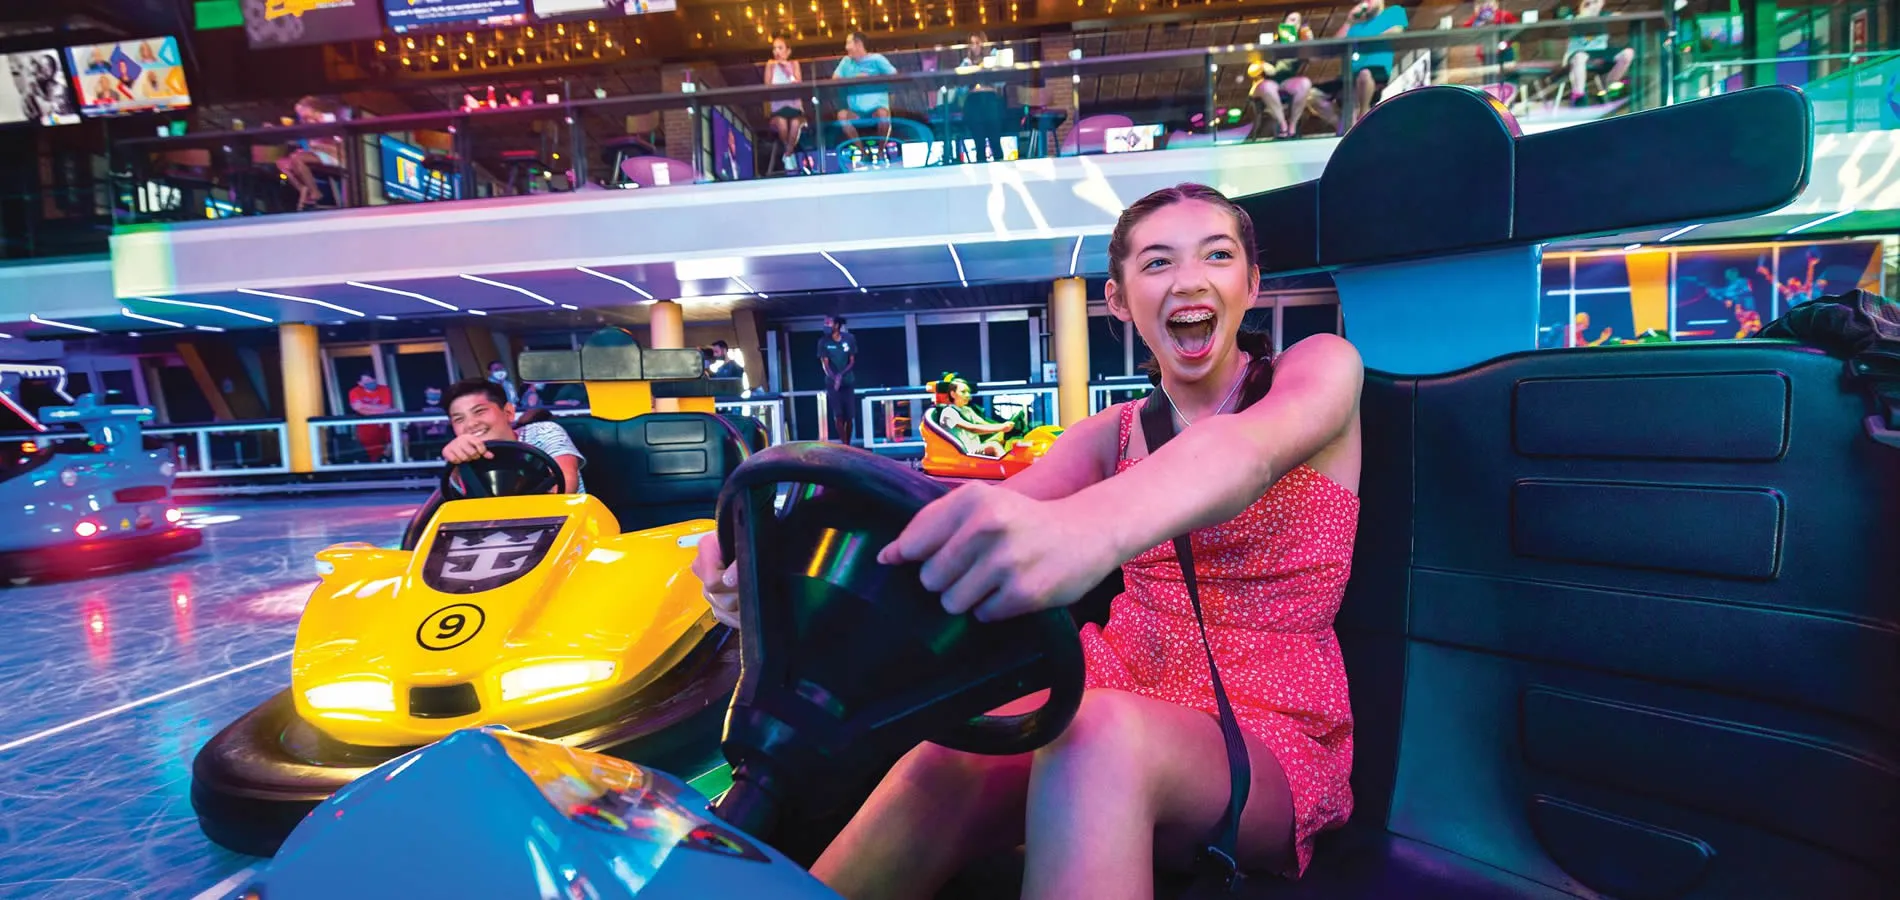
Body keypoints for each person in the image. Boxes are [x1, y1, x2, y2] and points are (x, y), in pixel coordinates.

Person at [695, 183, 1365, 896]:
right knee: (947, 753)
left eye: (1218, 256)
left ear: (1251, 283)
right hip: (1113, 681)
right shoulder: (1109, 433)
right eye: (1158, 262)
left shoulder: (1317, 370)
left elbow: (1241, 455)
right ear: (1119, 298)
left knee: (1093, 738)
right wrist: (771, 568)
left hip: (1265, 723)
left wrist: (1089, 529)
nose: (1190, 280)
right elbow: (962, 516)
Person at [440, 378, 585, 493]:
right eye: (459, 419)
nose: (471, 424)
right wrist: (455, 465)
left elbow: (566, 483)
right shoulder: (463, 455)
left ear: (508, 412)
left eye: (479, 411)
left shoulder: (543, 432)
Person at [1307, 0, 1409, 129]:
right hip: (1349, 75)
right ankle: (1343, 126)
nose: (1366, 2)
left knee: (1364, 75)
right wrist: (1348, 22)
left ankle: (1363, 114)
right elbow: (1333, 47)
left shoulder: (1394, 11)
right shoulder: (1356, 26)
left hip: (1376, 71)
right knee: (1311, 94)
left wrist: (1362, 42)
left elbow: (1396, 32)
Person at [1250, 13, 1317, 139]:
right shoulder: (1270, 40)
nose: (1294, 24)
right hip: (1265, 82)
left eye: (1297, 22)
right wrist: (1262, 65)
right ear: (1283, 23)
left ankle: (1293, 126)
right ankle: (1283, 125)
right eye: (1291, 20)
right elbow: (1251, 70)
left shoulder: (1300, 43)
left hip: (1288, 81)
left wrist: (1310, 43)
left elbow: (1314, 60)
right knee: (1268, 87)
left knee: (1305, 83)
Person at [277, 95, 344, 211]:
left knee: (298, 159)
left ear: (312, 109)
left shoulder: (327, 119)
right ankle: (303, 188)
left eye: (303, 113)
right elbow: (310, 144)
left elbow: (339, 142)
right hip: (317, 153)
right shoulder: (307, 123)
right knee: (282, 162)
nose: (302, 117)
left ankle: (315, 192)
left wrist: (318, 145)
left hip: (334, 155)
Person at [833, 32, 898, 150]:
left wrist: (871, 79)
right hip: (856, 112)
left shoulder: (877, 59)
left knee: (883, 114)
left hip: (876, 111)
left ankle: (881, 151)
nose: (846, 47)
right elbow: (835, 79)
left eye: (848, 43)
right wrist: (854, 79)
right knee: (842, 116)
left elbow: (895, 76)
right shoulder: (846, 61)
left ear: (858, 44)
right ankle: (861, 151)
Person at [952, 32, 1010, 163]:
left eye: (977, 43)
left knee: (995, 140)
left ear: (983, 43)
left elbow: (1002, 82)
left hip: (991, 99)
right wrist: (966, 69)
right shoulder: (966, 62)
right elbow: (960, 89)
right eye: (971, 44)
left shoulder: (993, 58)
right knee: (979, 142)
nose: (975, 47)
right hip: (974, 101)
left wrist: (994, 65)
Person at [1563, 0, 1634, 106]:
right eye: (1589, 3)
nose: (1593, 5)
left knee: (1628, 53)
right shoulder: (1572, 18)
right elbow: (1564, 27)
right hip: (1578, 53)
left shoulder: (1605, 16)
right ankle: (1579, 96)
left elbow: (1622, 18)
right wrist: (1584, 16)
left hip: (1600, 52)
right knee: (1580, 57)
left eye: (1596, 2)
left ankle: (1609, 88)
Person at [931, 373, 1013, 457]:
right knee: (993, 446)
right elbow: (972, 429)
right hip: (964, 454)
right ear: (953, 394)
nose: (967, 395)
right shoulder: (948, 412)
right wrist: (1001, 427)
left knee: (1005, 438)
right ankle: (1010, 468)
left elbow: (984, 425)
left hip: (975, 449)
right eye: (963, 392)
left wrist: (1005, 427)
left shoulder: (967, 410)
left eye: (968, 392)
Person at [765, 36, 808, 172]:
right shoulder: (770, 64)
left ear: (788, 51)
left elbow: (798, 83)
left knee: (795, 123)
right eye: (774, 48)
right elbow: (767, 85)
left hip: (795, 107)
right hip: (778, 108)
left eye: (780, 48)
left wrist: (786, 70)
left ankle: (787, 154)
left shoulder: (794, 63)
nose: (776, 51)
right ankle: (789, 153)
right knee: (782, 125)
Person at [818, 314, 858, 444]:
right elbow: (825, 364)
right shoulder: (823, 342)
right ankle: (844, 444)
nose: (826, 326)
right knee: (838, 415)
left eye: (828, 323)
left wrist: (841, 375)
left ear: (836, 325)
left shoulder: (849, 339)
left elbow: (852, 361)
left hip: (848, 382)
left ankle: (848, 443)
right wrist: (834, 378)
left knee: (849, 417)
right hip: (832, 384)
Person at [346, 372, 394, 463]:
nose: (371, 382)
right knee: (373, 454)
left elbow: (386, 407)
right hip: (366, 427)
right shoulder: (355, 391)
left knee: (391, 445)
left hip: (384, 425)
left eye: (373, 379)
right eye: (367, 380)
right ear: (360, 383)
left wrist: (365, 407)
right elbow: (357, 408)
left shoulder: (384, 389)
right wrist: (381, 411)